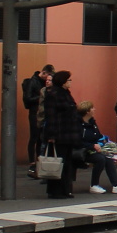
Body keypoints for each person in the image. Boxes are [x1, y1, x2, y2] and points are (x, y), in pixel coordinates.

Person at [42, 70, 81, 198]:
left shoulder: (65, 93)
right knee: (58, 162)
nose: (70, 82)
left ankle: (65, 189)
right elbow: (51, 116)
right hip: (59, 133)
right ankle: (55, 190)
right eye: (69, 80)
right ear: (63, 81)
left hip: (68, 133)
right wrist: (51, 135)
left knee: (67, 162)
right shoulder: (53, 94)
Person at [78, 101, 117, 195]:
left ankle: (116, 185)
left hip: (94, 149)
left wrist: (104, 141)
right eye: (92, 108)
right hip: (83, 152)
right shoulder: (78, 124)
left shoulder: (92, 122)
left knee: (108, 157)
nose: (94, 109)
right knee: (100, 159)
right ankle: (94, 185)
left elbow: (97, 135)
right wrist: (92, 146)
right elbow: (78, 141)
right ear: (87, 111)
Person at [23, 64, 54, 178]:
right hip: (34, 113)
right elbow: (28, 98)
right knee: (34, 137)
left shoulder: (42, 82)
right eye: (47, 77)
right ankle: (32, 162)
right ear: (44, 73)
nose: (48, 80)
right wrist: (41, 97)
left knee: (41, 138)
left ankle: (38, 161)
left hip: (41, 113)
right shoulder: (33, 82)